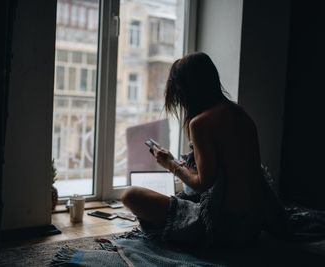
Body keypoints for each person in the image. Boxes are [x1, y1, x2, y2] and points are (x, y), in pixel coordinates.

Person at [121, 52, 287, 248]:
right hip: (253, 226)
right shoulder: (238, 113)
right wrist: (181, 165)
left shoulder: (201, 123)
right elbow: (221, 173)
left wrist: (170, 164)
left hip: (223, 228)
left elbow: (202, 184)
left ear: (184, 90)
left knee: (129, 196)